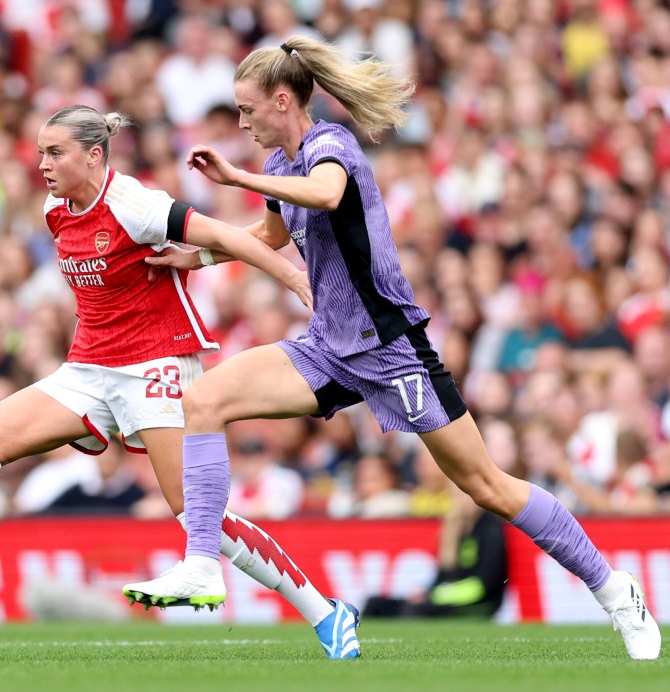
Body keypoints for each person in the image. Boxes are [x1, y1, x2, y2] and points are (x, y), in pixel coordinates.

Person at [122, 36, 662, 661]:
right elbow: (273, 231)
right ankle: (202, 565)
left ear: (279, 101)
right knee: (205, 399)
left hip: (391, 350)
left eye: (247, 110)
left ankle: (615, 589)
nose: (241, 122)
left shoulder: (331, 146)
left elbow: (325, 196)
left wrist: (234, 177)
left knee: (487, 485)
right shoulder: (279, 167)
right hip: (327, 348)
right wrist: (201, 254)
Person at [0, 105, 359, 659]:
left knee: (200, 522)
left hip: (154, 365)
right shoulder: (54, 208)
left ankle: (326, 612)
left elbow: (224, 236)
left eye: (56, 152)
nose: (43, 164)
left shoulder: (135, 203)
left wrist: (294, 279)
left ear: (94, 155)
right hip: (90, 369)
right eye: (42, 152)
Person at [362, 490, 508, 619]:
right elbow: (443, 576)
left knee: (414, 610)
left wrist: (435, 596)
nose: (462, 499)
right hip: (444, 598)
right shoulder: (453, 531)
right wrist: (427, 593)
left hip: (480, 604)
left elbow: (482, 586)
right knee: (375, 603)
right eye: (459, 493)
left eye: (467, 494)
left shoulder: (491, 530)